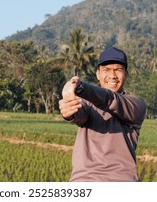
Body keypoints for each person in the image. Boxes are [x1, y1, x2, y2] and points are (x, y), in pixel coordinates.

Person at [59, 46, 147, 182]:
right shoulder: (86, 103)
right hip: (85, 181)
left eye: (118, 69)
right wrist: (68, 111)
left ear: (126, 74)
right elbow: (79, 113)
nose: (112, 75)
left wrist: (81, 87)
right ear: (98, 74)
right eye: (106, 69)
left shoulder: (135, 105)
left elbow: (110, 99)